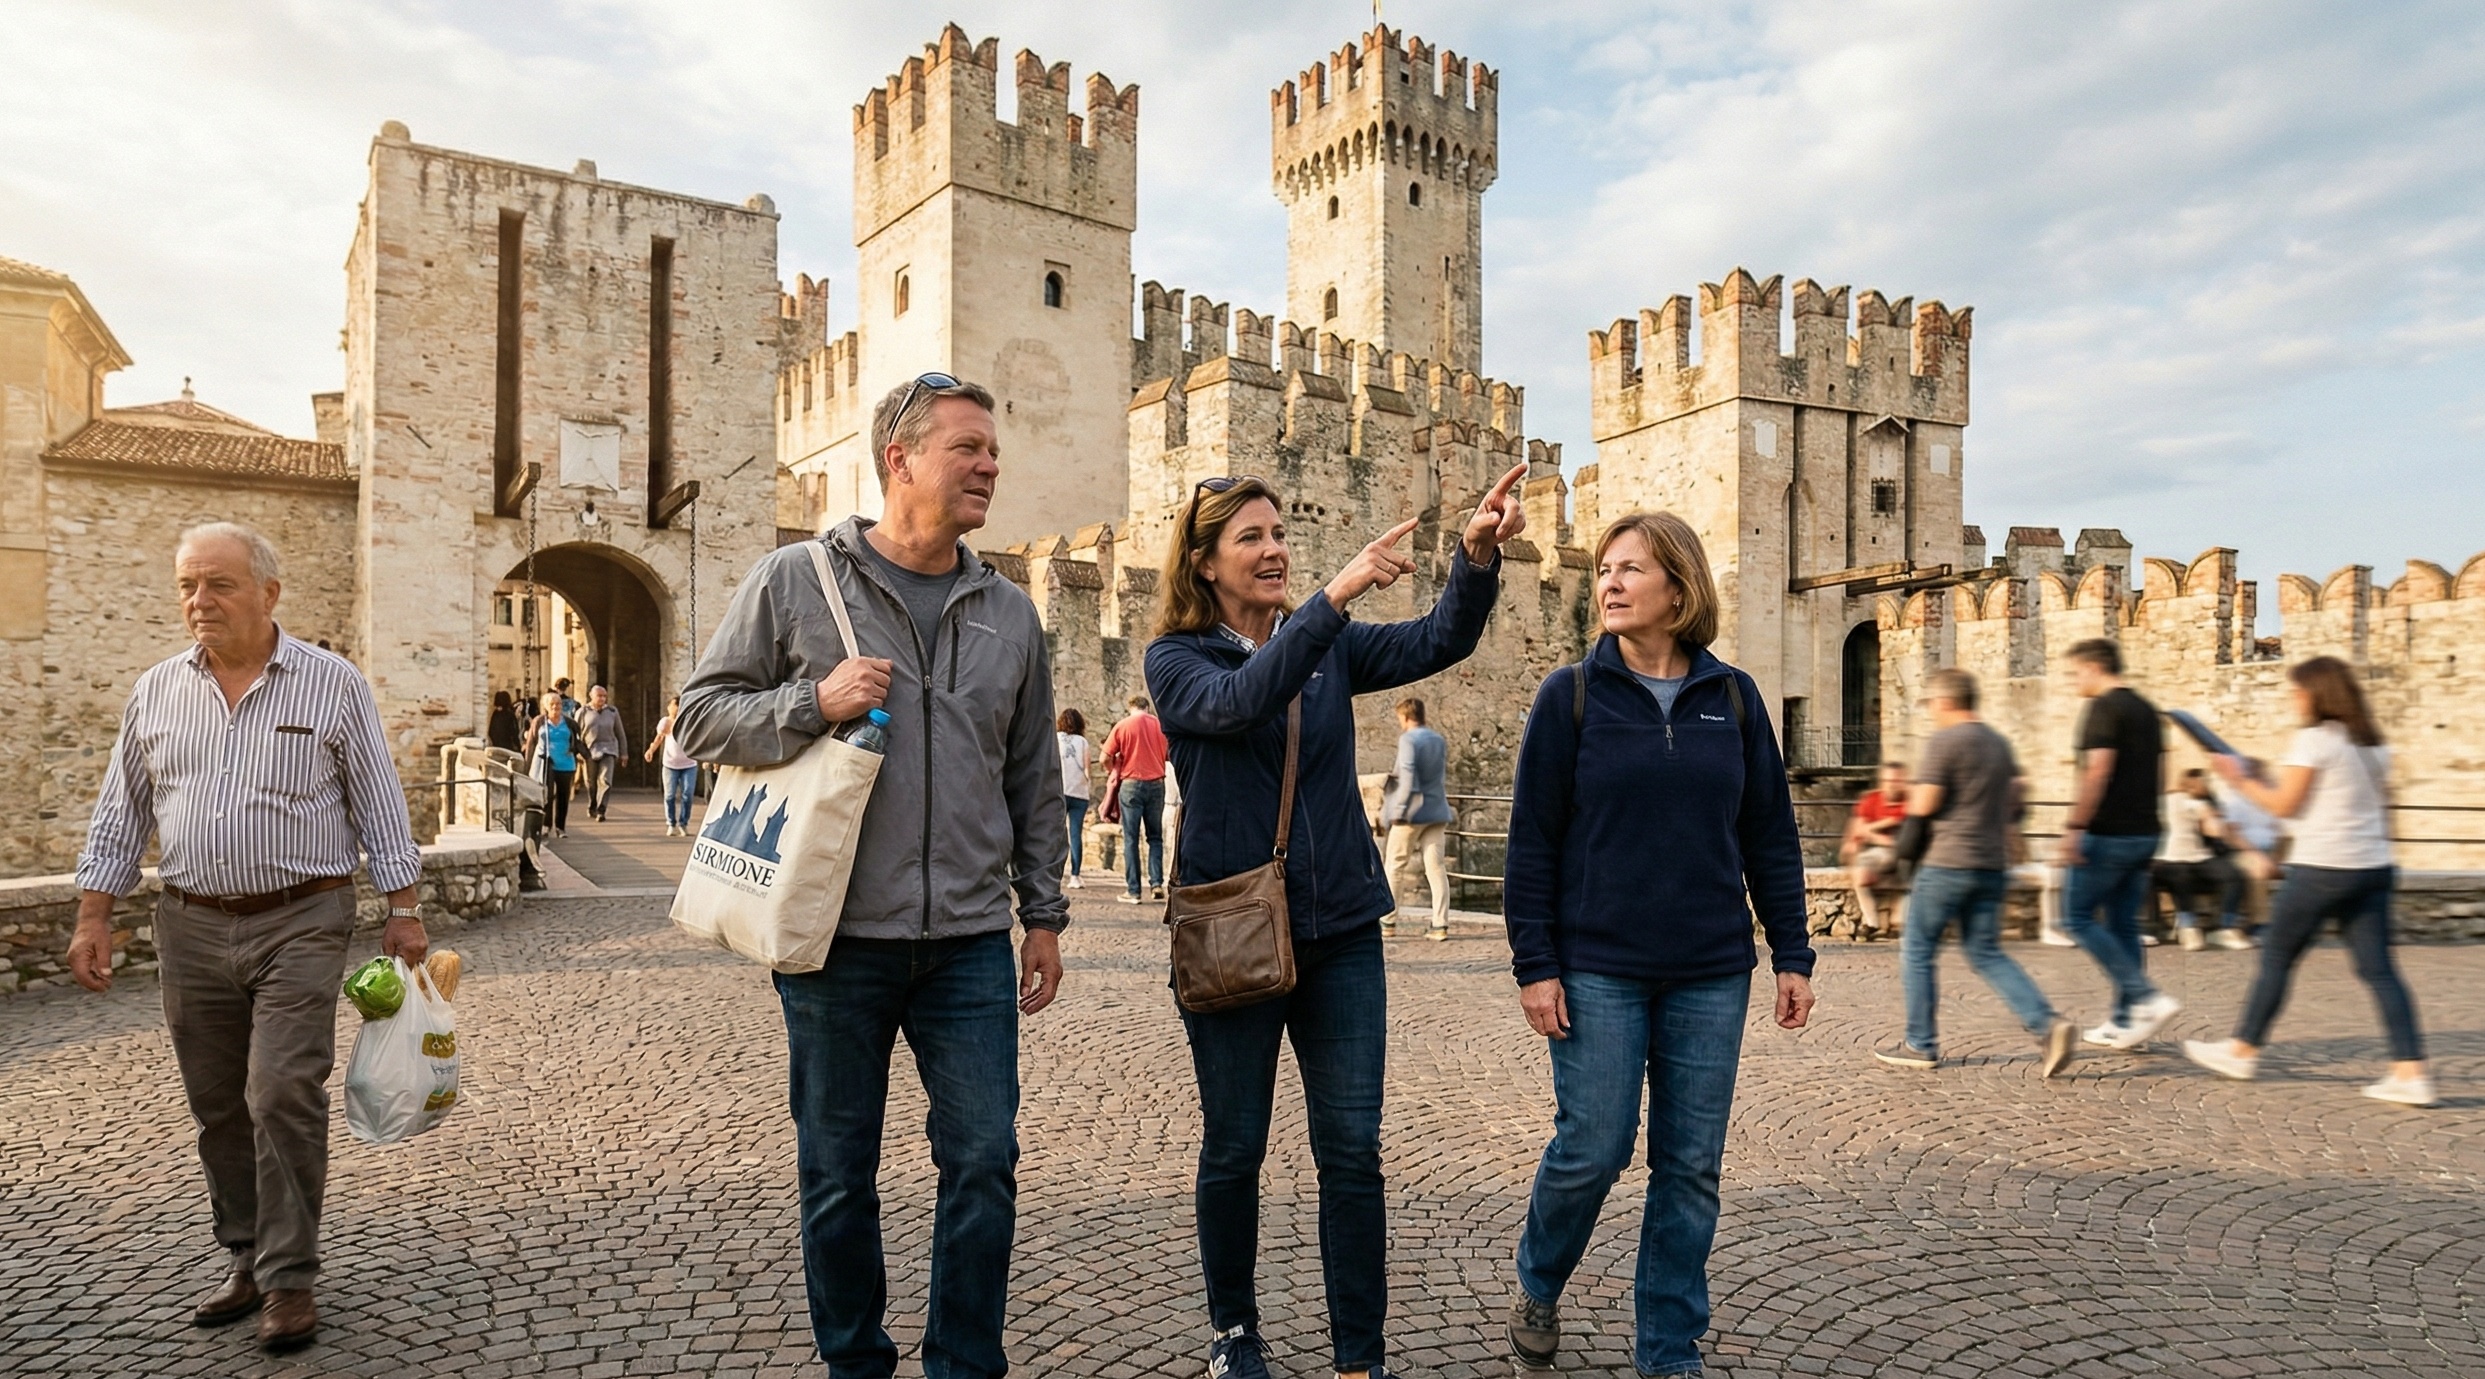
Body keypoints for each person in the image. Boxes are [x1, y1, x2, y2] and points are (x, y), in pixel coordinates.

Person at [672, 372, 1068, 1377]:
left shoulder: (1010, 612)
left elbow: (1029, 774)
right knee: (838, 1173)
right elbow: (700, 715)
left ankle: (963, 1361)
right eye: (967, 448)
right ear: (898, 455)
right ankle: (856, 1360)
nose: (988, 465)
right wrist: (812, 698)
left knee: (984, 1161)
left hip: (971, 945)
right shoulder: (795, 579)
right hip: (833, 939)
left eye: (992, 450)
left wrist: (1046, 914)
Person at [1146, 461, 1526, 1379]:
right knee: (1234, 1146)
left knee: (1351, 1151)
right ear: (1203, 564)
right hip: (1234, 927)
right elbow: (1239, 704)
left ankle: (1362, 1355)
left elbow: (1439, 639)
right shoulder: (1175, 660)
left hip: (1343, 930)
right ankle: (1234, 1331)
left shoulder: (1326, 646)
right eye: (1251, 538)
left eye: (1279, 534)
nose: (1273, 549)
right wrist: (1333, 595)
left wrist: (1472, 558)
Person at [65, 522, 426, 1355]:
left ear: (268, 592)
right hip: (187, 921)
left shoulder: (331, 683)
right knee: (218, 1104)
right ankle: (247, 1255)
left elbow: (377, 797)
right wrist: (93, 913)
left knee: (280, 1091)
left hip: (303, 916)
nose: (200, 601)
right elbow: (122, 811)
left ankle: (291, 1275)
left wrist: (403, 904)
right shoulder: (156, 689)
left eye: (219, 584)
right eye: (189, 584)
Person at [1500, 511, 1814, 1379]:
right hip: (1597, 964)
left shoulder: (1736, 699)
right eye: (1603, 568)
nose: (1608, 582)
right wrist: (1536, 964)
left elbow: (1769, 836)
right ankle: (1538, 1275)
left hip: (1711, 970)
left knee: (1690, 1167)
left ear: (1678, 587)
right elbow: (1532, 842)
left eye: (1629, 569)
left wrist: (1791, 952)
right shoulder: (1568, 696)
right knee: (1593, 1146)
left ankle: (1668, 1347)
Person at [2184, 657, 2435, 1106]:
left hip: (2322, 867)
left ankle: (2242, 1050)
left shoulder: (2315, 742)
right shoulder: (2374, 746)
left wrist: (2236, 779)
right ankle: (2410, 1071)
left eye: (2297, 692)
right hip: (2372, 867)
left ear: (2317, 694)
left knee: (2277, 958)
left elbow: (2282, 805)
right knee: (2380, 971)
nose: (2293, 699)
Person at [1874, 668, 2078, 1075]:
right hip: (1991, 864)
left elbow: (1925, 804)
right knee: (1986, 952)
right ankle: (2047, 1024)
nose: (1931, 711)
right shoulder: (1998, 744)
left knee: (1916, 950)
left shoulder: (1946, 741)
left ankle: (1921, 1043)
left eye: (1931, 703)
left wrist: (1899, 853)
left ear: (1946, 701)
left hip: (1947, 862)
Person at [2055, 638, 2182, 1050]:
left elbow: (2097, 772)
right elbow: (2163, 773)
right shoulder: (2145, 709)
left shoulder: (2103, 707)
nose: (2075, 681)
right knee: (2124, 924)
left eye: (2076, 672)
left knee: (2075, 917)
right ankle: (2127, 1021)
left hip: (2107, 832)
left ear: (2094, 667)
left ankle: (2145, 997)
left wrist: (2075, 825)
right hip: (2146, 830)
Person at [1380, 697, 1454, 939]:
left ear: (1405, 716)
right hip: (1437, 810)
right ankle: (1440, 925)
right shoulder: (1438, 739)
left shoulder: (1408, 739)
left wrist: (1396, 811)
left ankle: (1388, 922)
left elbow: (1408, 779)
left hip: (1412, 813)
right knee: (1436, 867)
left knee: (1395, 865)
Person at [2152, 769, 2249, 950]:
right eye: (2199, 783)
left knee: (2233, 875)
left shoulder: (2198, 803)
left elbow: (2211, 829)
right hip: (2168, 858)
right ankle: (2188, 926)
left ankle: (2226, 927)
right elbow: (2213, 828)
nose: (2202, 786)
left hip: (2199, 857)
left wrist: (2213, 817)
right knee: (2181, 875)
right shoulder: (2171, 801)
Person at [1103, 693, 1170, 904]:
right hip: (1157, 784)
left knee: (1131, 839)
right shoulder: (1161, 726)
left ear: (1131, 707)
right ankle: (1157, 883)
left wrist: (1111, 771)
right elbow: (1169, 755)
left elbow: (1105, 756)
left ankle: (1133, 890)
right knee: (1155, 837)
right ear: (1147, 708)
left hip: (1131, 784)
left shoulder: (1123, 725)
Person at [1838, 761, 1911, 938]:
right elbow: (1858, 828)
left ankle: (1898, 923)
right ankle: (1871, 922)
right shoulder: (1872, 800)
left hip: (1902, 853)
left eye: (1895, 781)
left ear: (1902, 781)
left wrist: (1871, 830)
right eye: (1887, 780)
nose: (1891, 785)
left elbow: (1899, 827)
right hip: (1877, 853)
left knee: (1910, 872)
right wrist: (1874, 836)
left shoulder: (1909, 802)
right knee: (1860, 876)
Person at [644, 695, 699, 837]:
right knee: (669, 795)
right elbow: (659, 738)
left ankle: (683, 823)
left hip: (689, 764)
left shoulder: (689, 721)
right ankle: (671, 823)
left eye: (678, 705)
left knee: (687, 795)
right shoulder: (665, 722)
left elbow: (698, 739)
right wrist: (651, 750)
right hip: (670, 764)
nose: (675, 708)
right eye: (673, 705)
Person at [524, 691, 578, 836]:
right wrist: (527, 767)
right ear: (546, 706)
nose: (556, 707)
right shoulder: (539, 721)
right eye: (552, 704)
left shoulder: (569, 723)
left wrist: (582, 754)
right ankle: (546, 825)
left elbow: (577, 740)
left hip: (566, 763)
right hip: (546, 762)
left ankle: (560, 827)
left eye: (559, 704)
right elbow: (531, 744)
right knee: (546, 794)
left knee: (563, 796)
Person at [575, 684, 628, 822]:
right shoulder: (583, 712)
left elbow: (620, 733)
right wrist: (578, 751)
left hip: (608, 749)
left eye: (604, 696)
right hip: (589, 750)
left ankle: (601, 809)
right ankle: (592, 804)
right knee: (590, 782)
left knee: (605, 780)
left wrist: (624, 752)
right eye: (599, 696)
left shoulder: (612, 712)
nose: (602, 699)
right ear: (591, 696)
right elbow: (576, 734)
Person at [1057, 708, 1093, 888]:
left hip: (1060, 791)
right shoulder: (1083, 742)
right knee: (1075, 834)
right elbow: (1087, 768)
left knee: (1056, 833)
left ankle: (1054, 873)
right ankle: (1075, 876)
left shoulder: (1056, 739)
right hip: (1079, 793)